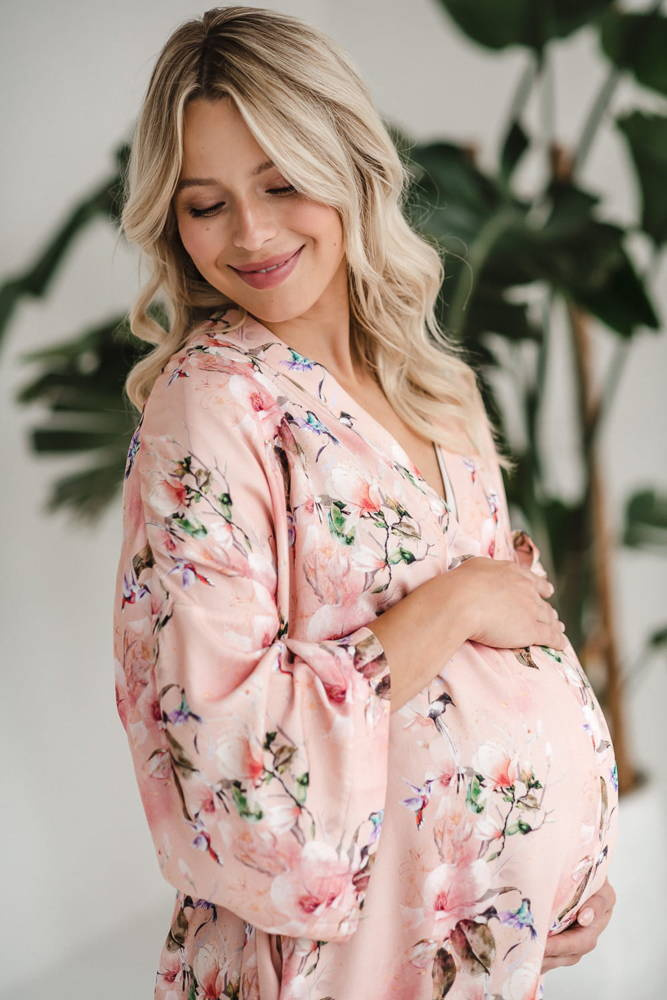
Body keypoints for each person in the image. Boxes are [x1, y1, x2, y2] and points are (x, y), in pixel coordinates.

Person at [112, 7, 618, 998]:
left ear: (349, 163)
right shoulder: (213, 409)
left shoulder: (435, 388)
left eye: (281, 183)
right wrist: (452, 603)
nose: (251, 233)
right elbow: (229, 766)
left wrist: (565, 874)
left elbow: (513, 663)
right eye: (206, 204)